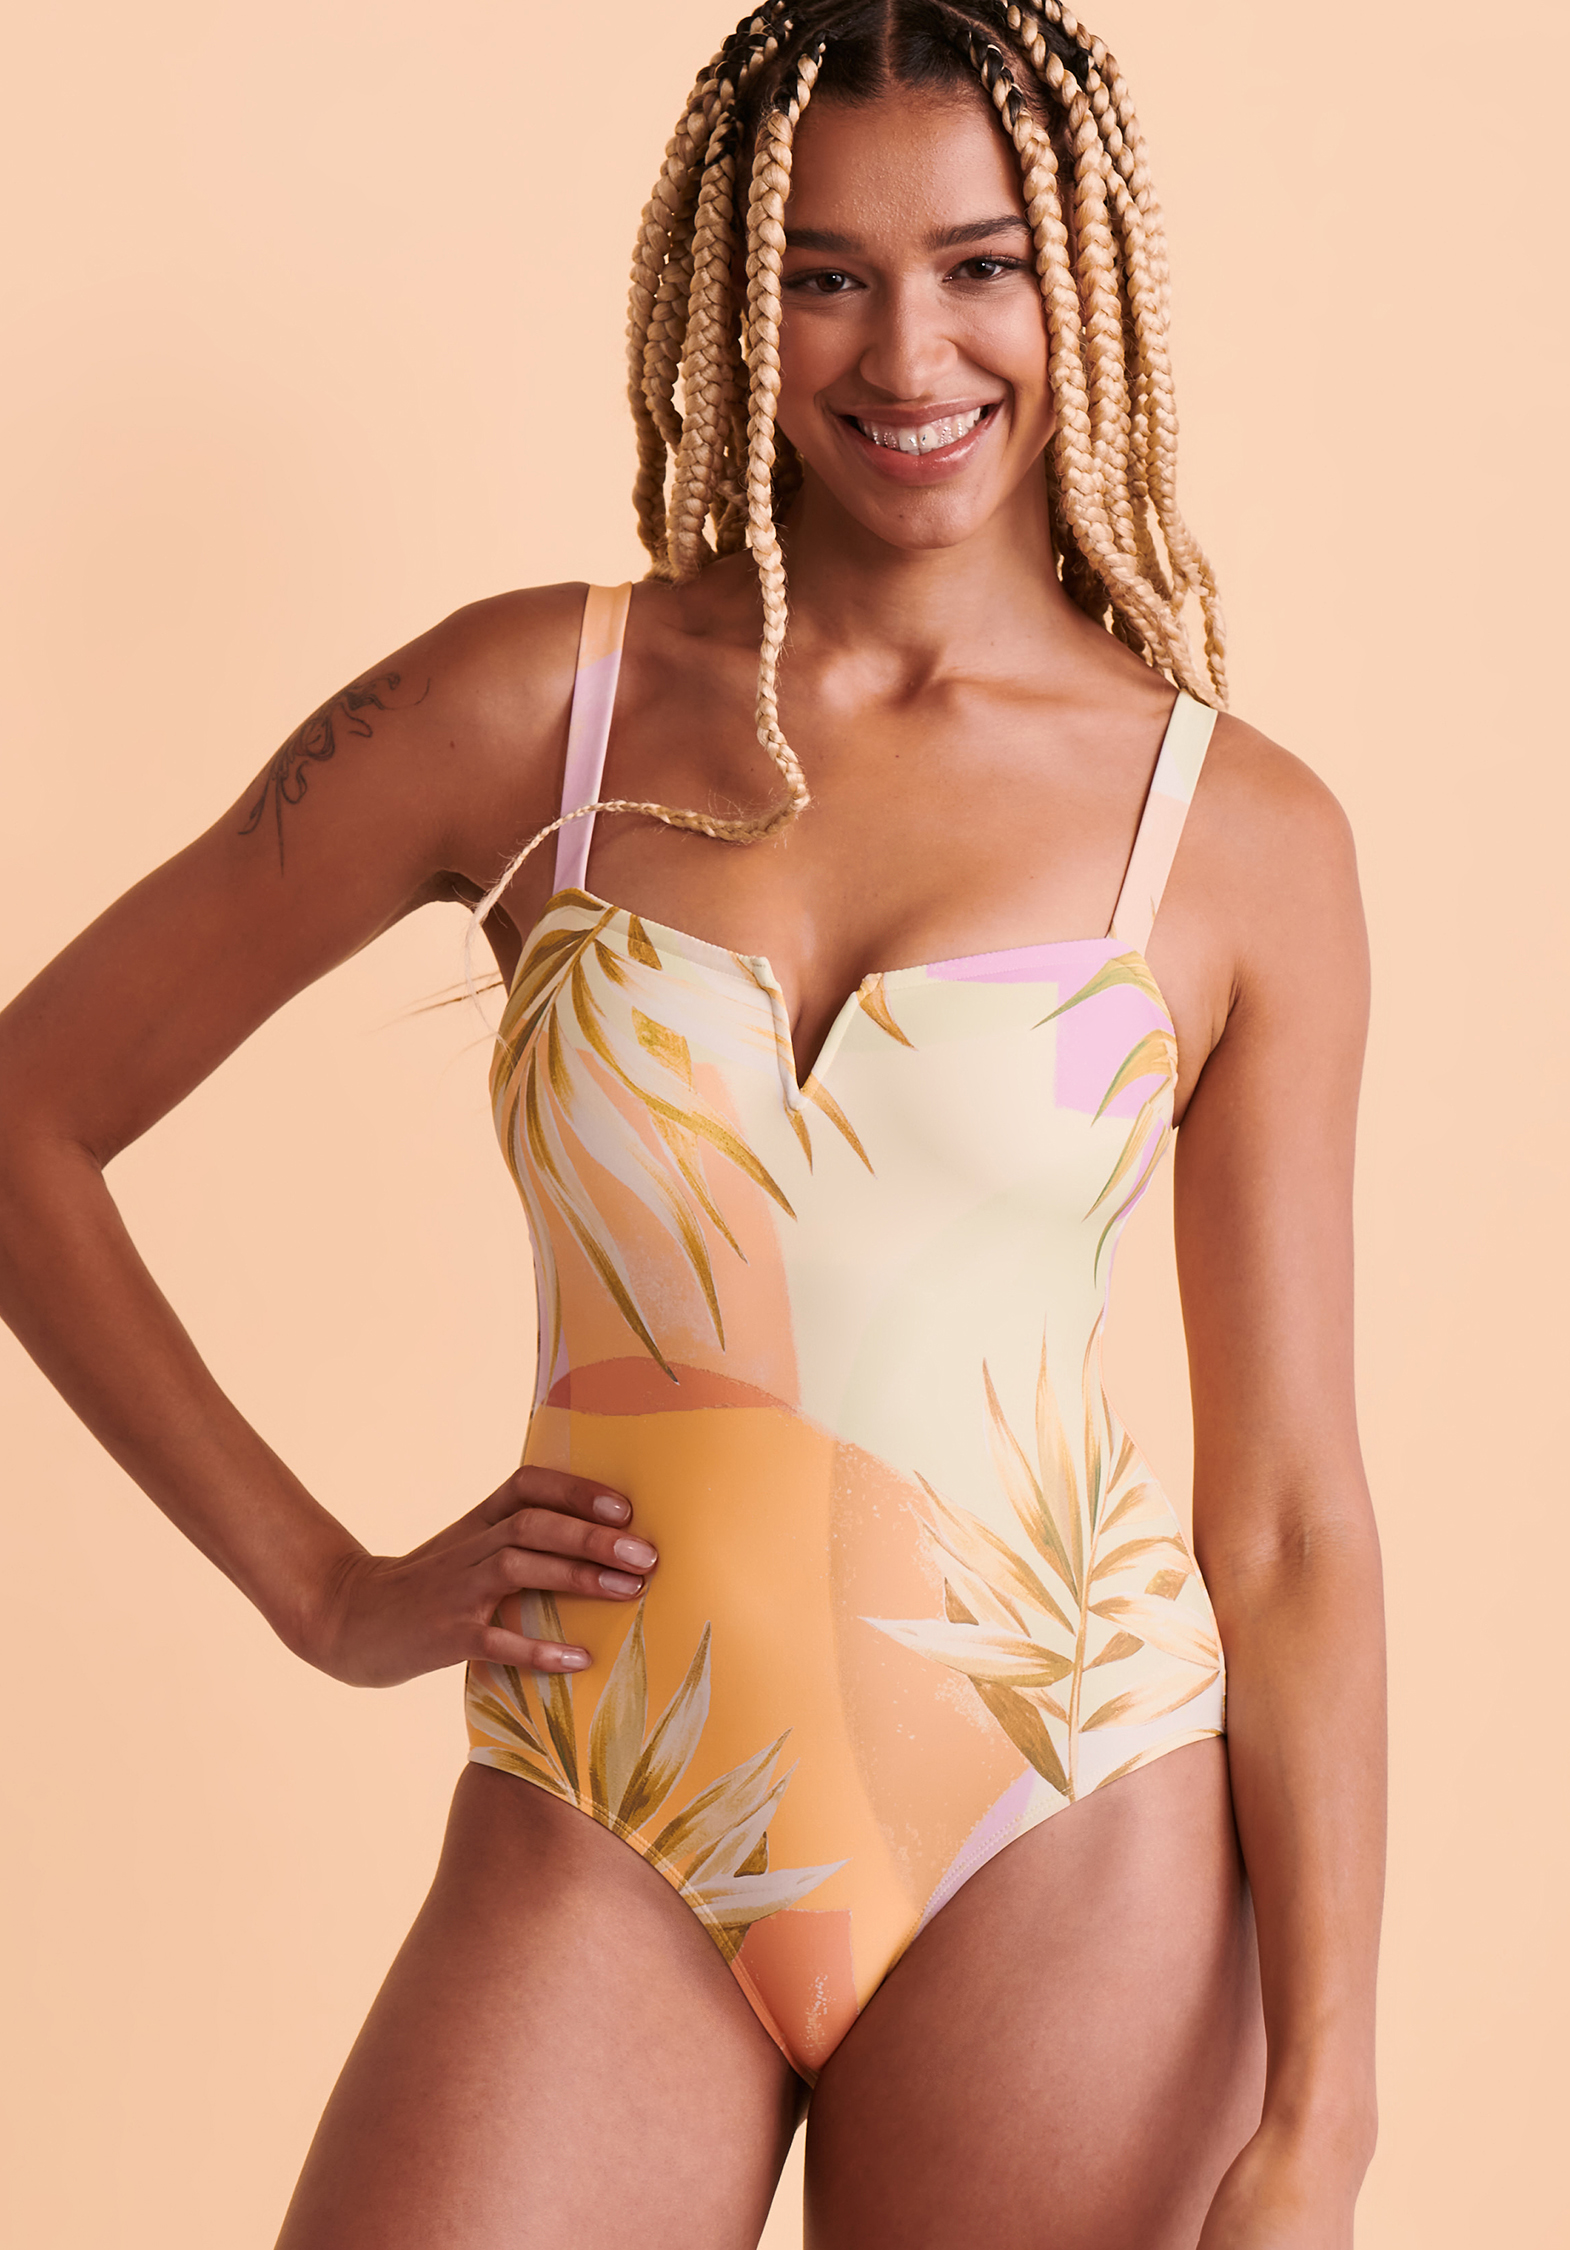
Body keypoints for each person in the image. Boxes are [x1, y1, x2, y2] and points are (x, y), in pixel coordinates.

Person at [0, 2, 1385, 2243]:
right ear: (738, 295)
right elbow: (26, 1115)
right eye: (827, 273)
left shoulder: (1233, 837)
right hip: (605, 1793)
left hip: (1065, 1806)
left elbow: (1297, 1521)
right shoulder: (527, 711)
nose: (908, 351)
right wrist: (324, 1591)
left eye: (981, 264)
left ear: (1078, 282)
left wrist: (1321, 2115)